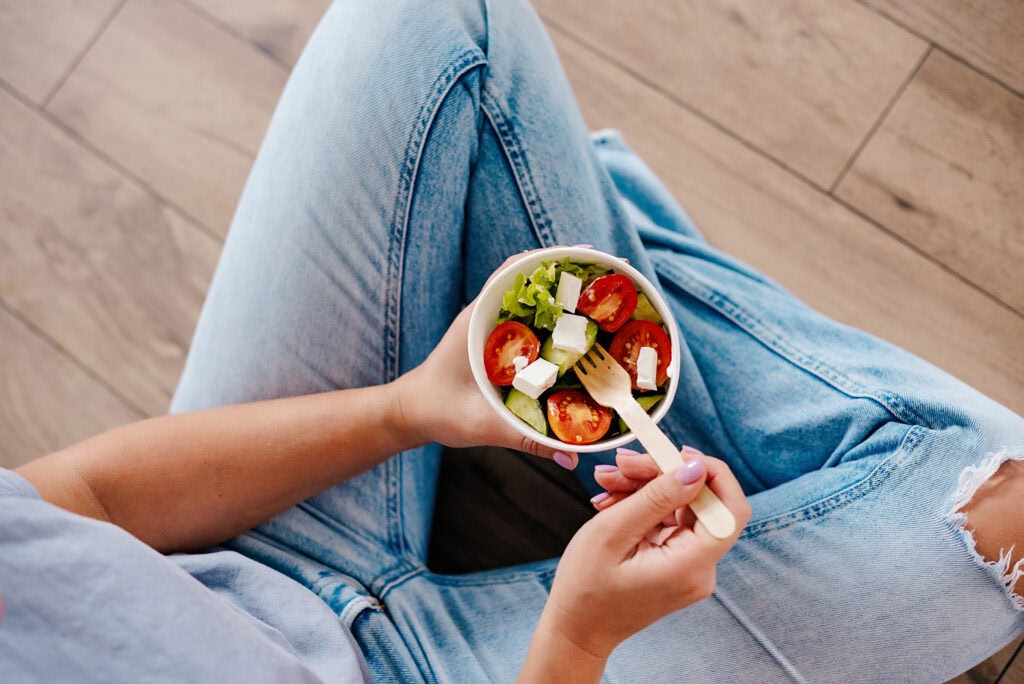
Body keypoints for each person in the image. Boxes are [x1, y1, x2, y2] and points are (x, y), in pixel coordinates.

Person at [2, 0, 1022, 681]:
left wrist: (402, 408)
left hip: (242, 537)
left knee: (443, 22)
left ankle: (580, 227)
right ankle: (596, 211)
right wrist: (577, 639)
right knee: (1000, 501)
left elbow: (89, 503)